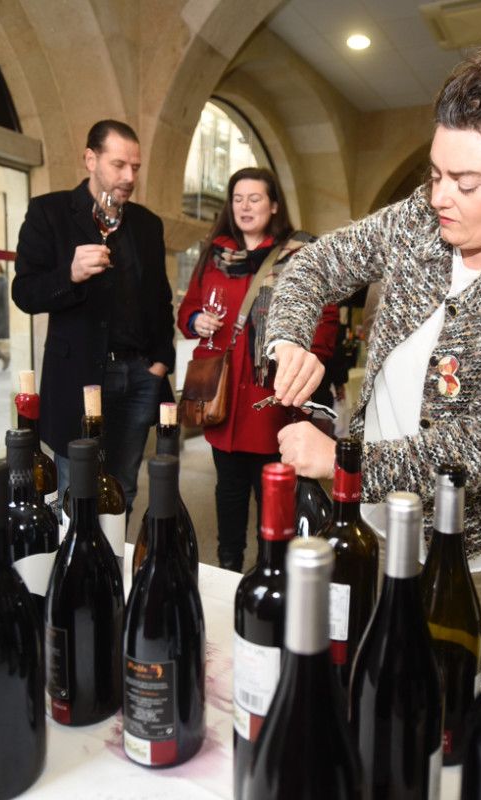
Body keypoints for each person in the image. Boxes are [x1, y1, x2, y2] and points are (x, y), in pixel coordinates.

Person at [265, 44, 481, 631]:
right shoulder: (417, 222)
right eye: (434, 174)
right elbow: (313, 264)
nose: (438, 197)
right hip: (370, 527)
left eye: (466, 182)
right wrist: (289, 337)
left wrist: (345, 462)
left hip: (474, 565)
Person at [177, 168, 338, 571]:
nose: (245, 207)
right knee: (228, 493)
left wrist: (304, 361)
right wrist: (196, 319)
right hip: (224, 399)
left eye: (255, 198)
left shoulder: (299, 254)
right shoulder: (214, 255)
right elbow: (186, 311)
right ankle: (228, 565)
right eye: (238, 199)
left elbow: (327, 318)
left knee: (274, 497)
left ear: (274, 205)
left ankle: (275, 571)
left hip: (272, 401)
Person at [12, 120, 174, 510]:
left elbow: (161, 300)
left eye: (135, 167)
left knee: (125, 491)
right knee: (78, 491)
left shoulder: (148, 224)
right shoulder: (49, 212)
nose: (129, 176)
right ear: (90, 159)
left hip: (138, 378)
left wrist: (160, 363)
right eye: (119, 165)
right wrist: (69, 275)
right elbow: (24, 293)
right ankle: (78, 570)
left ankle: (113, 570)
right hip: (81, 379)